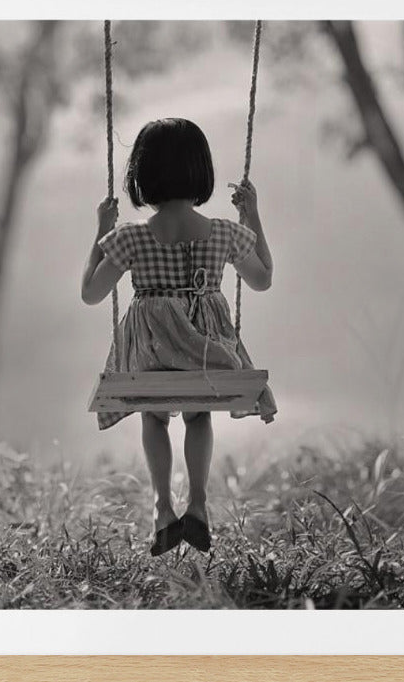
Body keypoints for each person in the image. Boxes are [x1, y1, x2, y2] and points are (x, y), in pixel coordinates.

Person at [81, 117, 276, 557]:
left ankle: (162, 506)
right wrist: (253, 215)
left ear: (142, 177)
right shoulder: (225, 232)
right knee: (198, 414)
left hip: (150, 358)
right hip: (206, 357)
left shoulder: (129, 238)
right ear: (200, 171)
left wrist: (101, 229)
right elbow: (263, 278)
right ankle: (200, 504)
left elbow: (91, 293)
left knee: (154, 415)